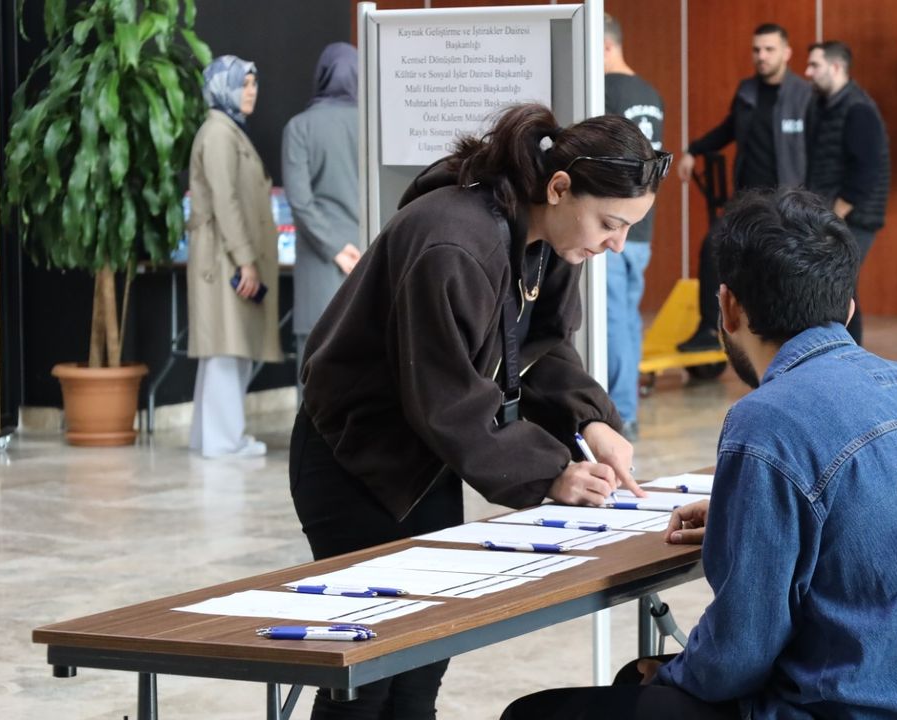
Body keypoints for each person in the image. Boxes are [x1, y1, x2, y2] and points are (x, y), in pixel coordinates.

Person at [501, 189, 897, 720]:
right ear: (848, 308)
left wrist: (675, 673)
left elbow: (739, 654)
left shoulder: (768, 419)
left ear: (729, 306)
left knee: (534, 714)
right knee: (641, 682)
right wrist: (745, 519)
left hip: (842, 707)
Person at [289, 103, 670, 719]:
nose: (616, 244)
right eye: (609, 223)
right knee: (367, 672)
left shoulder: (547, 241)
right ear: (559, 187)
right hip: (353, 461)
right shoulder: (453, 240)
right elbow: (445, 397)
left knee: (421, 668)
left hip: (426, 457)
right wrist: (552, 471)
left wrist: (588, 418)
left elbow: (540, 346)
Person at [675, 23, 810, 352]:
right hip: (748, 201)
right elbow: (727, 130)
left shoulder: (804, 95)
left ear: (786, 53)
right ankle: (710, 330)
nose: (761, 56)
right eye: (757, 50)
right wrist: (693, 150)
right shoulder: (747, 91)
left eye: (769, 49)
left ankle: (793, 333)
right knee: (712, 248)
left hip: (787, 201)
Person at [186, 55, 281, 458]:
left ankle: (210, 439)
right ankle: (223, 443)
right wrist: (245, 259)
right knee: (227, 349)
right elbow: (226, 201)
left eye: (254, 84)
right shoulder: (220, 134)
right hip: (223, 260)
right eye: (244, 84)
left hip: (224, 257)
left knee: (225, 348)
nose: (251, 92)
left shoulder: (225, 131)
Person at [282, 42, 364, 376]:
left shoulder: (299, 128)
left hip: (321, 264)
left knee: (314, 367)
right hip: (369, 255)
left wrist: (334, 249)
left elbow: (300, 201)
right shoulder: (374, 126)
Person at [602, 13, 664, 440]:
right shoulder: (651, 94)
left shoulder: (603, 90)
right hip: (643, 227)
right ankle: (627, 410)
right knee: (626, 319)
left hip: (611, 224)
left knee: (609, 320)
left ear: (604, 46)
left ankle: (615, 414)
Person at [804, 41, 890, 346]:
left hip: (856, 216)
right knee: (835, 284)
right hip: (830, 212)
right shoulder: (821, 106)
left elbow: (866, 170)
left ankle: (851, 357)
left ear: (836, 67)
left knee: (838, 284)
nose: (807, 72)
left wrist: (835, 213)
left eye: (815, 65)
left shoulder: (858, 109)